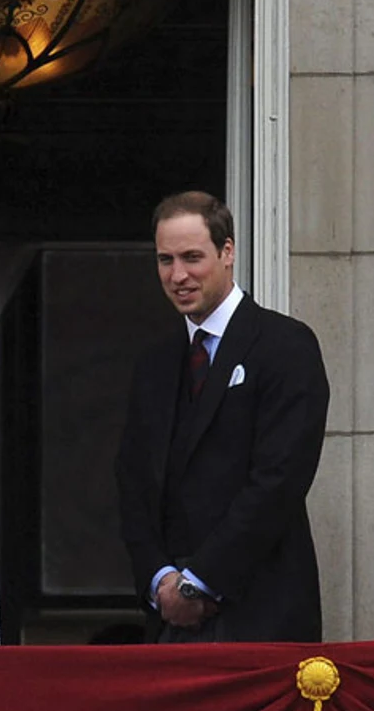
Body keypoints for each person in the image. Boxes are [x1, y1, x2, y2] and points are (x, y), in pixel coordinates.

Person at [115, 190, 330, 642]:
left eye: (192, 258)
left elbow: (279, 479)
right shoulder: (153, 363)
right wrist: (161, 581)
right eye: (165, 260)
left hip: (262, 613)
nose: (178, 275)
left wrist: (200, 581)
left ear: (227, 252)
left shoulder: (285, 345)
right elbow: (133, 483)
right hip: (170, 621)